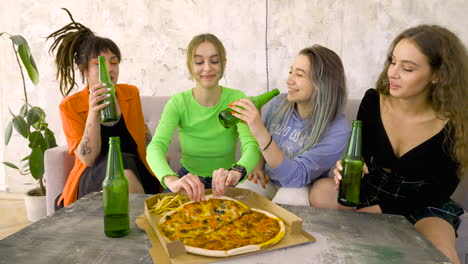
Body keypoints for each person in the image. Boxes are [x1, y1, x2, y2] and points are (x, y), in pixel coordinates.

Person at [309, 25, 468, 264]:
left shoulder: (456, 121)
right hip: (373, 189)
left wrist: (381, 211)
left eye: (407, 68)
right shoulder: (373, 101)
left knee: (442, 254)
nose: (392, 73)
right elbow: (359, 157)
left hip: (422, 202)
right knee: (321, 191)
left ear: (438, 75)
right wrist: (346, 169)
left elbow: (439, 191)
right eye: (392, 62)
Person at [47, 8, 161, 208]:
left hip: (137, 167)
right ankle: (144, 223)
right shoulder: (71, 106)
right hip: (94, 174)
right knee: (121, 168)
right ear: (84, 70)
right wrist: (93, 111)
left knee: (125, 163)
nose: (109, 69)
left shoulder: (130, 93)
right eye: (99, 64)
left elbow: (142, 134)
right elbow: (88, 158)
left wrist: (157, 153)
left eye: (114, 62)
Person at [146, 33, 260, 201]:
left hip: (226, 182)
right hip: (189, 183)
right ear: (190, 66)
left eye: (214, 61)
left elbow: (251, 145)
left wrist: (238, 171)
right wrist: (171, 179)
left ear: (223, 64)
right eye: (199, 62)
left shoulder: (237, 99)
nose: (207, 68)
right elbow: (155, 147)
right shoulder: (178, 102)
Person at [233, 45, 350, 206]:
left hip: (301, 186)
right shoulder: (278, 103)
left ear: (322, 84)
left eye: (299, 75)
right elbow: (260, 148)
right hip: (268, 179)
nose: (289, 80)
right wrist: (258, 167)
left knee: (289, 200)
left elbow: (295, 178)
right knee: (241, 195)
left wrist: (259, 131)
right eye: (290, 72)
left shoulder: (337, 130)